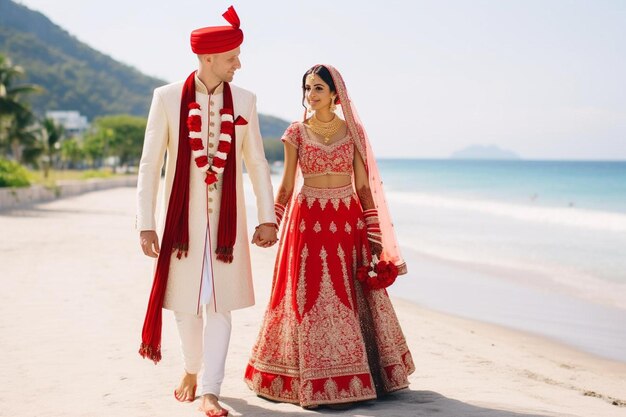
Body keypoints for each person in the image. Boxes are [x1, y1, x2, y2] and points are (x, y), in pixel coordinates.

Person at [244, 64, 414, 408]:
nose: (311, 95)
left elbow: (364, 185)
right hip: (307, 220)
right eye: (307, 88)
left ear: (336, 94)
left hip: (346, 220)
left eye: (318, 88)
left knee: (348, 292)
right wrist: (272, 222)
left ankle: (356, 376)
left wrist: (374, 231)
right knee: (305, 295)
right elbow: (289, 184)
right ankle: (301, 377)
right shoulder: (296, 132)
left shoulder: (353, 131)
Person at [136, 6, 277, 417]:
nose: (239, 64)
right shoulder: (165, 98)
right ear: (208, 58)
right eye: (232, 57)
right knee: (184, 304)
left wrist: (267, 217)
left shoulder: (246, 100)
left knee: (221, 305)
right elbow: (150, 163)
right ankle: (191, 369)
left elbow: (257, 163)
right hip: (182, 223)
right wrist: (146, 224)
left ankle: (211, 390)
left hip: (227, 229)